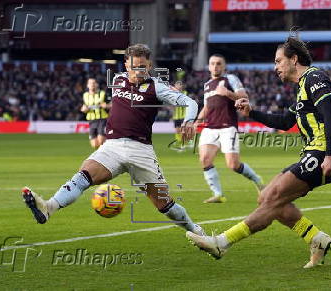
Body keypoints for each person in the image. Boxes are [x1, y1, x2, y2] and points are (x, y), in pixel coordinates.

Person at [187, 37, 331, 268]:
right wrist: (251, 112)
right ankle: (317, 239)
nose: (275, 67)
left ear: (294, 59)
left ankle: (221, 242)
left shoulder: (314, 78)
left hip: (322, 155)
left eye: (279, 61)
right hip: (312, 153)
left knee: (271, 198)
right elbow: (284, 121)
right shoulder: (302, 87)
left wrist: (330, 154)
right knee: (266, 197)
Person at [22, 44, 205, 236]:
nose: (139, 71)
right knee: (83, 175)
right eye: (135, 66)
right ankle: (48, 207)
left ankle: (196, 231)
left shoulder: (156, 87)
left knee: (164, 204)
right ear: (126, 65)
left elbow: (190, 102)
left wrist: (189, 121)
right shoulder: (118, 80)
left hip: (140, 150)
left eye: (143, 66)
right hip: (112, 146)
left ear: (149, 65)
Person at [195, 54, 264, 203]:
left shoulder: (230, 79)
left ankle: (257, 180)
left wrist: (227, 93)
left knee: (233, 164)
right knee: (205, 159)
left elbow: (244, 98)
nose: (215, 66)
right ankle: (218, 194)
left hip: (228, 127)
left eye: (218, 63)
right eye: (212, 63)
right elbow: (207, 106)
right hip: (210, 127)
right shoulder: (207, 84)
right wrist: (196, 122)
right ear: (208, 66)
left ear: (224, 66)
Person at [81, 78, 110, 149]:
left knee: (101, 141)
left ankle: (105, 156)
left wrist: (106, 106)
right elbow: (83, 107)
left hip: (102, 119)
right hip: (91, 121)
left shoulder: (103, 93)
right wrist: (84, 109)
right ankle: (109, 146)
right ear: (87, 85)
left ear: (97, 84)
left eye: (94, 83)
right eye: (90, 83)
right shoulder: (85, 95)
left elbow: (112, 104)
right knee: (94, 145)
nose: (92, 85)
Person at [170, 82, 190, 151]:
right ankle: (181, 142)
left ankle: (183, 144)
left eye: (180, 85)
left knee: (183, 130)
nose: (178, 86)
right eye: (177, 85)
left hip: (183, 115)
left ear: (182, 86)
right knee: (177, 131)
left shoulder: (185, 93)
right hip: (176, 116)